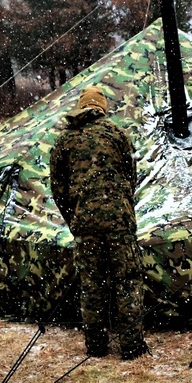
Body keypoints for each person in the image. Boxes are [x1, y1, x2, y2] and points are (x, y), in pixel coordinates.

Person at [48, 85, 148, 360]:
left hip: (85, 225)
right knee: (127, 280)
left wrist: (76, 218)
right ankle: (131, 346)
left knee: (91, 283)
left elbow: (58, 189)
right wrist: (121, 207)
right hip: (119, 222)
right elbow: (131, 177)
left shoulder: (64, 140)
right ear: (102, 108)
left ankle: (96, 346)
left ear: (82, 106)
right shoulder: (117, 134)